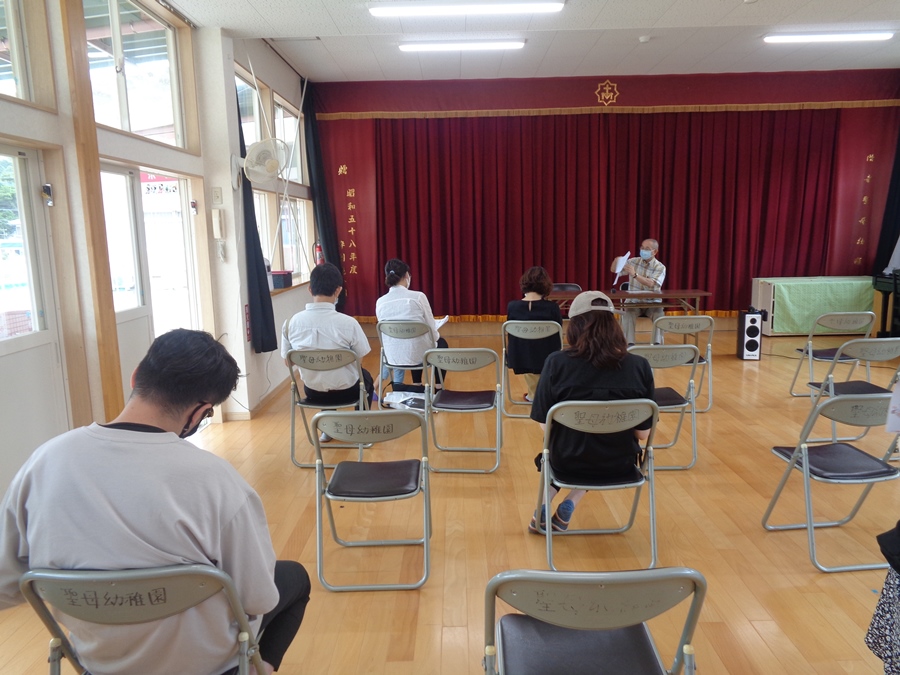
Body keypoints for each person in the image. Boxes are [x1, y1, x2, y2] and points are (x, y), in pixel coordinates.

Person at [0, 329, 310, 675]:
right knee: (295, 578)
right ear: (200, 412)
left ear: (136, 377)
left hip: (99, 664)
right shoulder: (217, 481)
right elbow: (258, 598)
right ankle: (258, 669)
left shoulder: (44, 462)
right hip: (208, 666)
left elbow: (6, 585)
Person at [529, 291, 654, 533]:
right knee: (600, 445)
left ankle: (542, 504)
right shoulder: (639, 366)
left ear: (575, 326)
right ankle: (571, 501)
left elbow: (546, 426)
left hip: (567, 462)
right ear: (614, 325)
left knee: (569, 447)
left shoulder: (556, 363)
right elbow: (642, 434)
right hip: (619, 464)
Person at [281, 262, 375, 440]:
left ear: (310, 289)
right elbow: (359, 360)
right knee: (366, 378)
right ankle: (359, 428)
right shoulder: (349, 323)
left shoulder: (290, 324)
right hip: (348, 391)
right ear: (338, 290)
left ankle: (328, 429)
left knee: (321, 377)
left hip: (313, 391)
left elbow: (288, 362)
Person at [375, 258, 448, 388]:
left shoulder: (380, 302)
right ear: (406, 276)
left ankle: (417, 384)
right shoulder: (418, 297)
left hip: (392, 357)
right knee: (439, 343)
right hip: (419, 356)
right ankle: (438, 388)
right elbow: (432, 332)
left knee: (415, 342)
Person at [506, 266, 563, 402]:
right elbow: (558, 331)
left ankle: (534, 395)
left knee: (528, 347)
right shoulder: (552, 308)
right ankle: (543, 394)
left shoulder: (512, 306)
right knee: (542, 348)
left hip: (519, 357)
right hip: (547, 357)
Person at [610, 238, 667, 345]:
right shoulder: (633, 262)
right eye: (642, 247)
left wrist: (635, 275)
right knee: (627, 314)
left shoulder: (660, 267)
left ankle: (657, 344)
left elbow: (651, 283)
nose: (643, 250)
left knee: (659, 315)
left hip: (653, 303)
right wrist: (617, 261)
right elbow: (614, 270)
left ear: (655, 252)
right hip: (634, 302)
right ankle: (630, 344)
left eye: (647, 249)